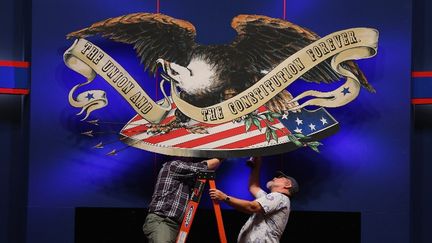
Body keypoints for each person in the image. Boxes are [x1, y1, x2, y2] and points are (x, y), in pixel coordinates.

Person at [209, 156, 299, 243]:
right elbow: (253, 187)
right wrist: (257, 164)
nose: (274, 178)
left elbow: (252, 207)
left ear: (288, 185)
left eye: (280, 178)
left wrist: (225, 197)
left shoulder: (280, 197)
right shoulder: (272, 200)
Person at [143, 157, 223, 243]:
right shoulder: (173, 165)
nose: (191, 156)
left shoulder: (185, 174)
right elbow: (204, 166)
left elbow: (206, 168)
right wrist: (224, 154)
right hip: (163, 220)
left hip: (174, 224)